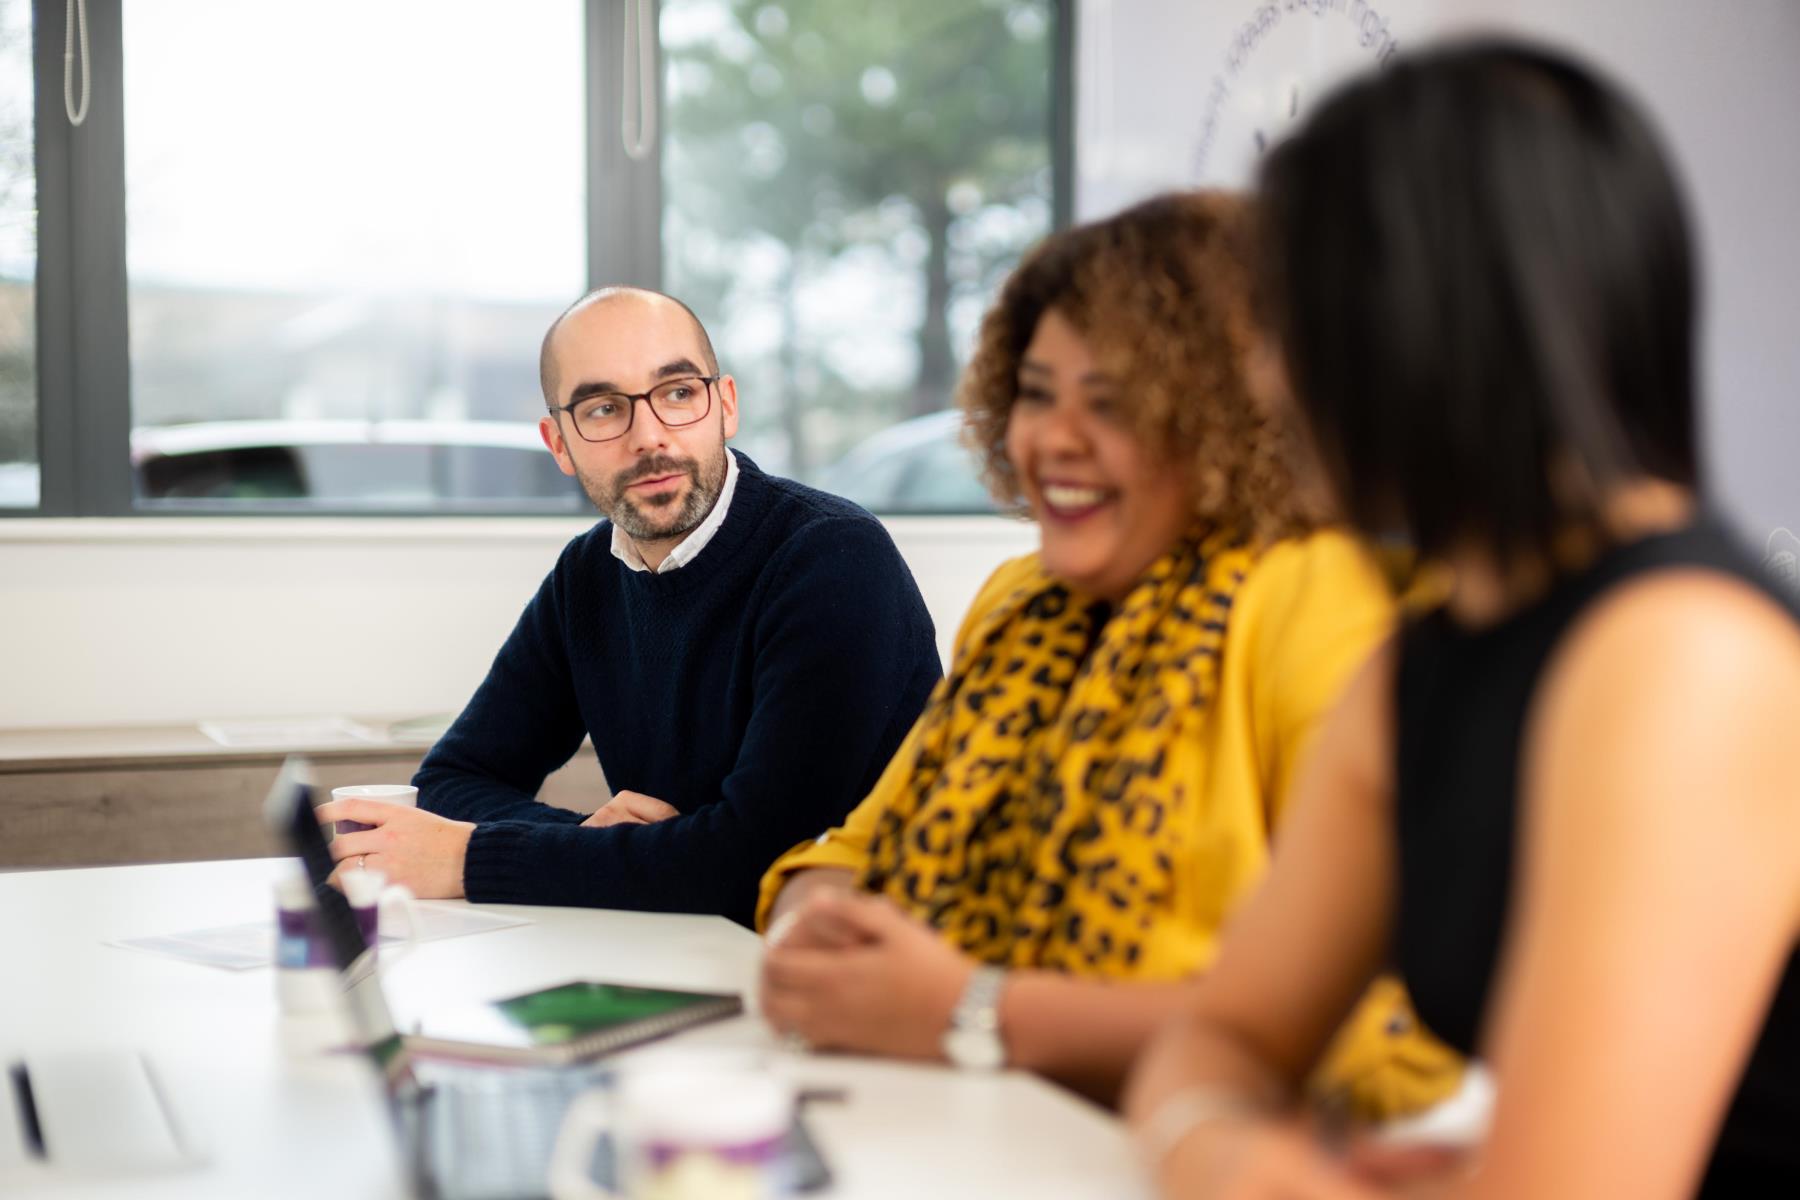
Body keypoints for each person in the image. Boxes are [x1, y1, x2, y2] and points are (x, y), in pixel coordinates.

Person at [1124, 41, 1800, 1199]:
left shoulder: (1687, 657)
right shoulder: (1424, 661)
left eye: (1286, 319)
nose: (1263, 374)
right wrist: (1234, 1150)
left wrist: (1245, 1160)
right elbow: (1215, 1038)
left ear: (1413, 318)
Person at [755, 192, 1461, 1114]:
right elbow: (851, 851)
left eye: (1115, 403)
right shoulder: (1019, 599)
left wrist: (973, 1014)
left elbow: (1385, 1032)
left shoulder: (1316, 597)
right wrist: (819, 928)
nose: (1054, 440)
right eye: (1038, 394)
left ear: (1225, 421)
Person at [316, 287, 942, 926]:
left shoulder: (833, 557)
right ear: (559, 443)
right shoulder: (586, 576)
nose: (649, 436)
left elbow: (756, 862)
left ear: (724, 406)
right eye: (604, 407)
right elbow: (454, 779)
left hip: (869, 962)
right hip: (688, 943)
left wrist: (472, 858)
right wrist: (589, 839)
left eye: (677, 394)